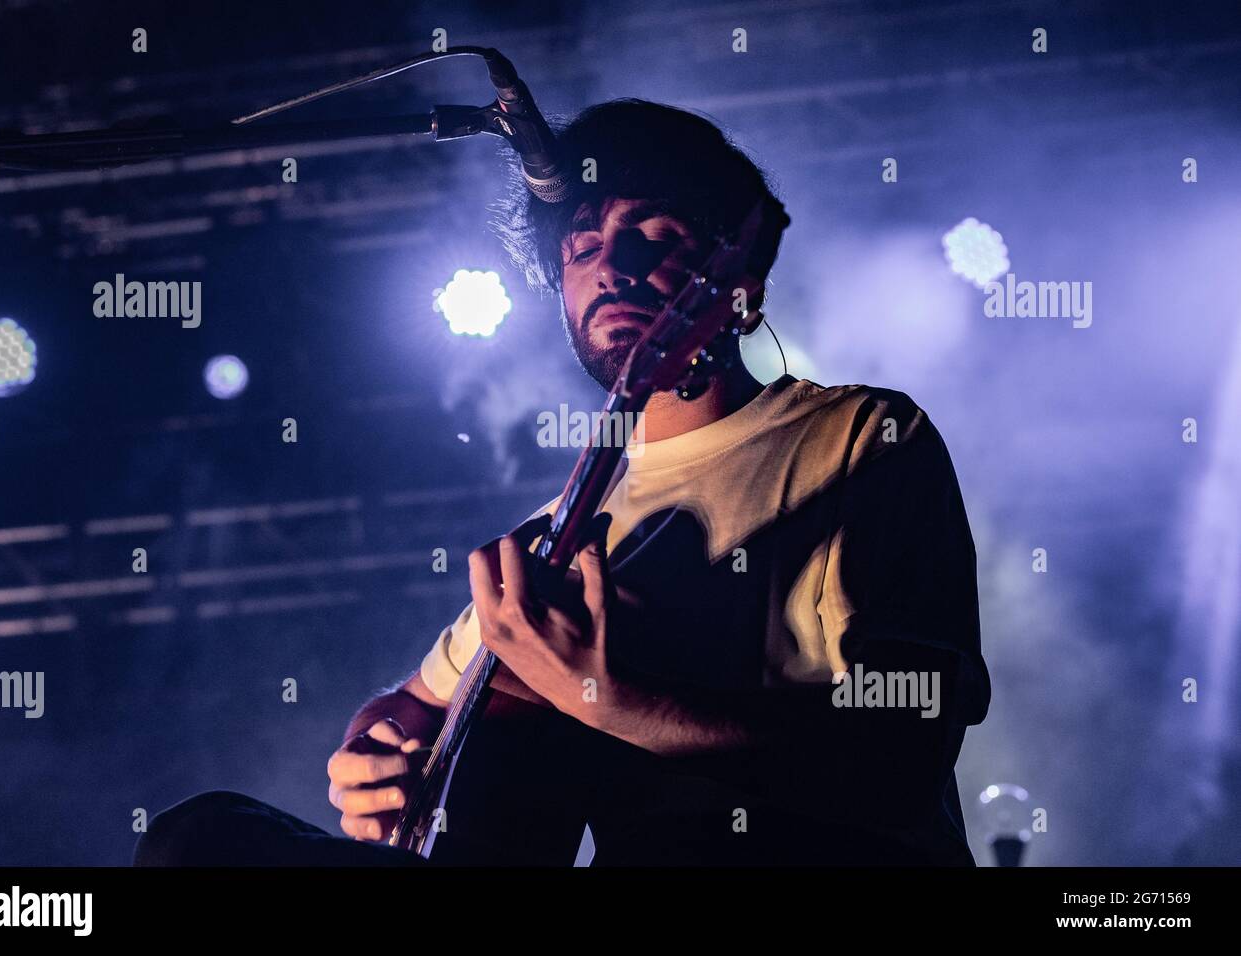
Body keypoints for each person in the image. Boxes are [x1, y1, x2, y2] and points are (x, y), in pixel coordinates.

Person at [135, 99, 990, 867]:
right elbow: (416, 702)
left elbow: (903, 750)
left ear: (743, 286)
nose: (610, 265)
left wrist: (609, 699)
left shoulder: (859, 436)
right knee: (199, 840)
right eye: (581, 247)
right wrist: (377, 749)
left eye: (654, 235)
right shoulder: (559, 535)